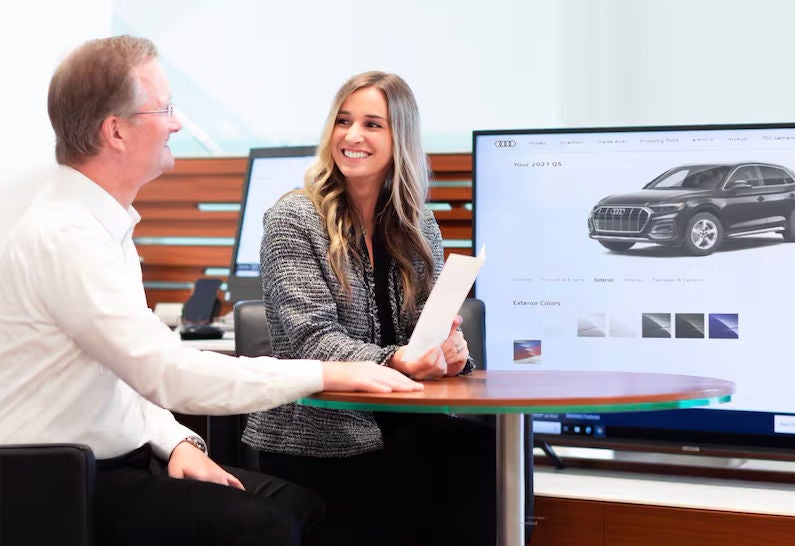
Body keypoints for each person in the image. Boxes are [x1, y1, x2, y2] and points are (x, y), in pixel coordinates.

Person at [0, 36, 424, 546]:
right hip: (54, 485)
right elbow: (165, 373)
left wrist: (177, 441)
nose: (177, 123)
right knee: (267, 527)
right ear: (115, 130)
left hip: (112, 460)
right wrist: (328, 372)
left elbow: (124, 377)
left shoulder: (102, 228)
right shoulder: (66, 236)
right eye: (166, 109)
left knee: (298, 505)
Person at [242, 71, 496, 546]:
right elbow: (309, 340)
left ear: (400, 137)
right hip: (322, 436)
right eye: (343, 121)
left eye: (372, 124)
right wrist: (394, 360)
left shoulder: (417, 223)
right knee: (435, 486)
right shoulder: (293, 219)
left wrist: (449, 350)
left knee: (484, 454)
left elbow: (421, 327)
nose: (352, 136)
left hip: (405, 420)